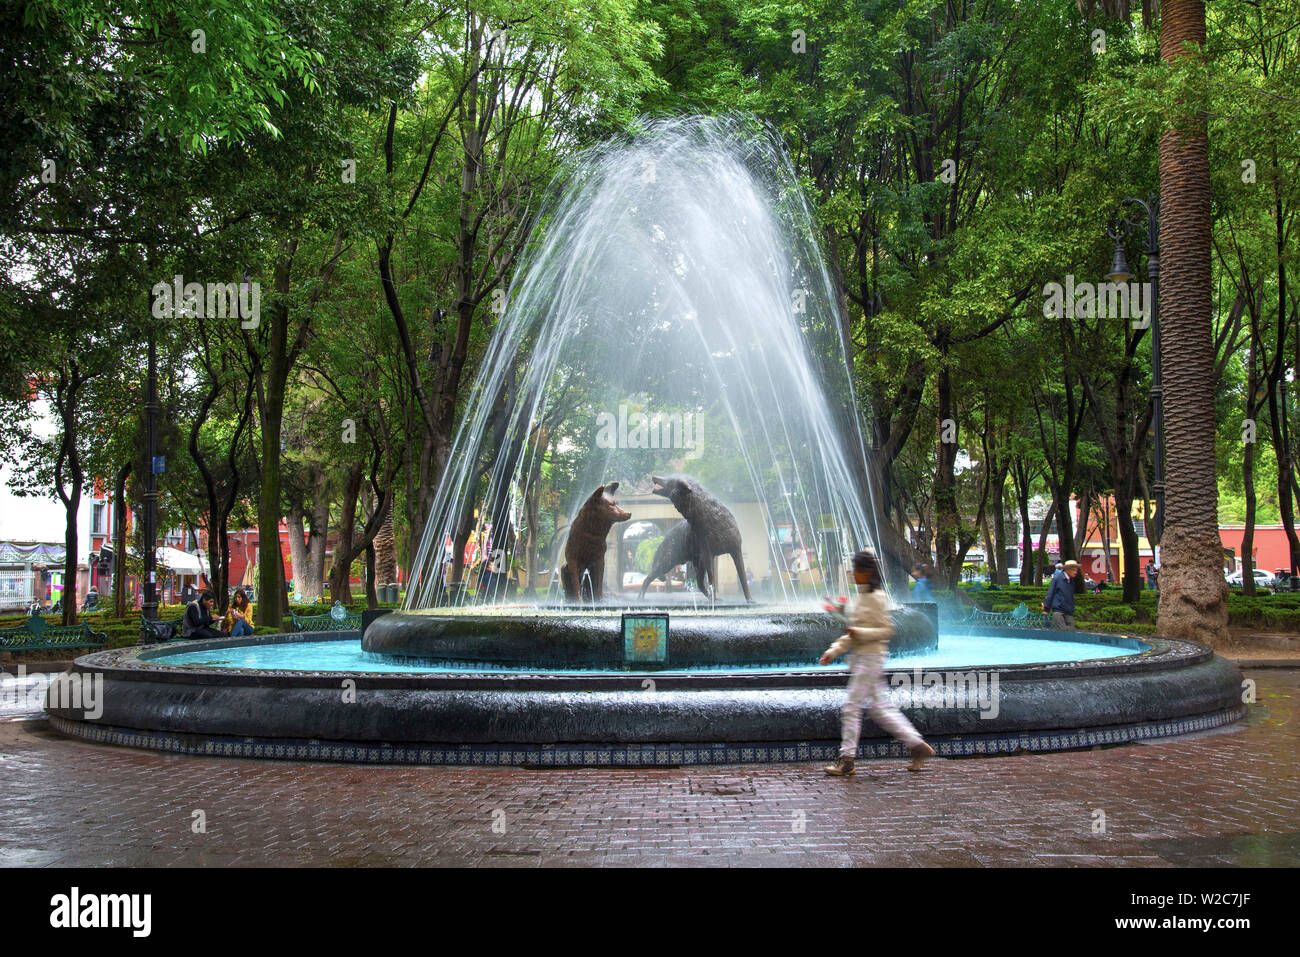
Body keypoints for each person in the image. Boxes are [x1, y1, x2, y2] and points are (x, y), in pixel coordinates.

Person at [819, 549, 936, 777]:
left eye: (856, 570)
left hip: (870, 659)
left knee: (851, 707)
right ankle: (918, 746)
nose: (852, 574)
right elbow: (852, 634)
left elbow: (887, 630)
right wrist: (833, 651)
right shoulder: (861, 598)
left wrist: (858, 631)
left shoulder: (877, 598)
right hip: (864, 659)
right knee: (881, 710)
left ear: (866, 571)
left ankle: (847, 759)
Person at [1044, 560, 1080, 630]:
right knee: (1062, 631)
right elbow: (1050, 593)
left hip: (1068, 611)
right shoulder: (1057, 578)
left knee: (1072, 631)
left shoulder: (1072, 581)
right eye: (1073, 570)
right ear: (1067, 570)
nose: (1076, 572)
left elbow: (1070, 596)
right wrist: (1046, 609)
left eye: (1076, 570)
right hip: (1058, 610)